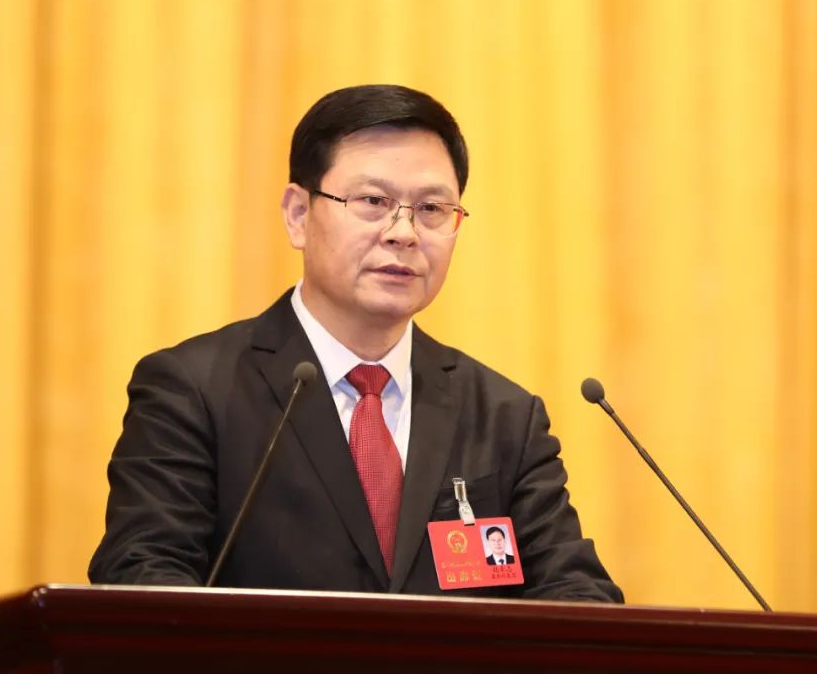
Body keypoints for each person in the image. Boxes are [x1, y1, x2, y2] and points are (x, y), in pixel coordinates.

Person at [88, 84, 623, 602]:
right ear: (298, 215)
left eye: (431, 209)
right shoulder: (194, 391)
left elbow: (578, 597)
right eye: (373, 201)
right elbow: (144, 580)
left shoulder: (504, 417)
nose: (403, 233)